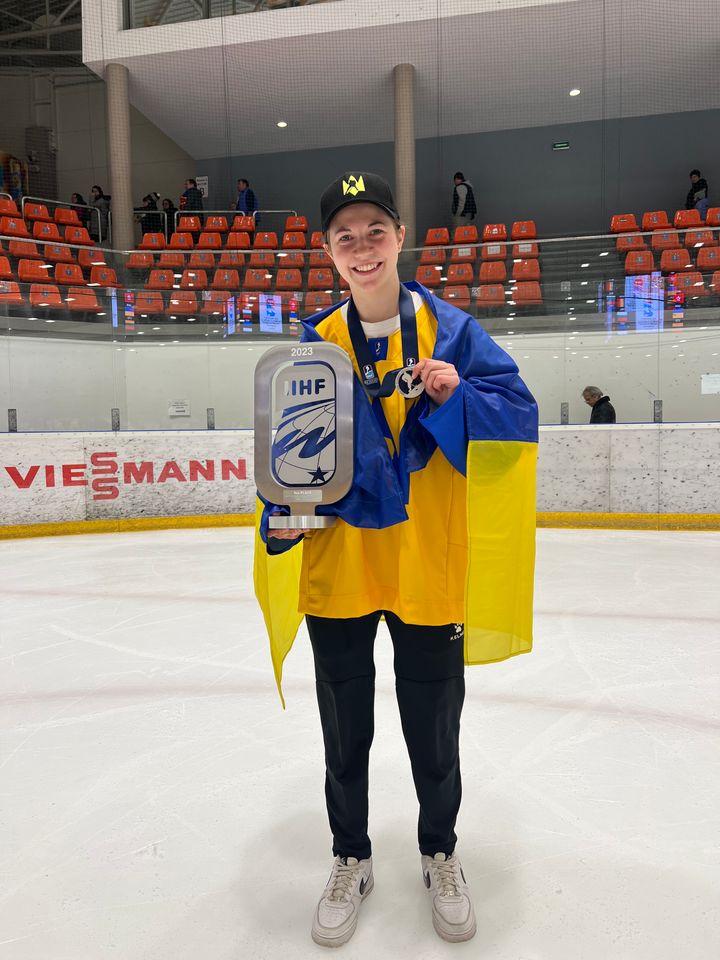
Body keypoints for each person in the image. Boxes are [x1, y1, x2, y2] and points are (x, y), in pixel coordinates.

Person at [255, 172, 538, 947]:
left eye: (374, 230)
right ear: (328, 253)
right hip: (339, 570)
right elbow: (290, 461)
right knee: (344, 735)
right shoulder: (312, 345)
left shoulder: (454, 333)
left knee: (433, 732)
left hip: (426, 569)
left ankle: (439, 852)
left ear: (399, 237)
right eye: (345, 236)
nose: (362, 246)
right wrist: (279, 524)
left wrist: (455, 396)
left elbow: (519, 416)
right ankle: (351, 854)